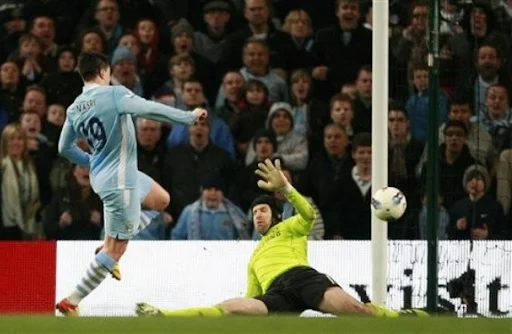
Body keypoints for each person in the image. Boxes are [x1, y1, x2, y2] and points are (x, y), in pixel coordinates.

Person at [136, 159, 427, 318]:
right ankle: (164, 315)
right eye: (254, 213)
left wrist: (287, 188)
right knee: (233, 308)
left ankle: (404, 318)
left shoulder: (290, 227)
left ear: (275, 215)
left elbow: (309, 214)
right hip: (279, 294)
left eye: (262, 210)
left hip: (304, 279)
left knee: (357, 312)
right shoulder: (254, 256)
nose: (258, 217)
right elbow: (253, 295)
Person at [55, 51, 207, 316]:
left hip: (111, 176)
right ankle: (72, 300)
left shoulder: (74, 108)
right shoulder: (114, 94)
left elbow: (64, 147)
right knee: (118, 249)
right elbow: (151, 108)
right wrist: (188, 117)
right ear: (104, 72)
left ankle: (108, 244)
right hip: (120, 182)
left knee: (161, 200)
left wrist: (90, 161)